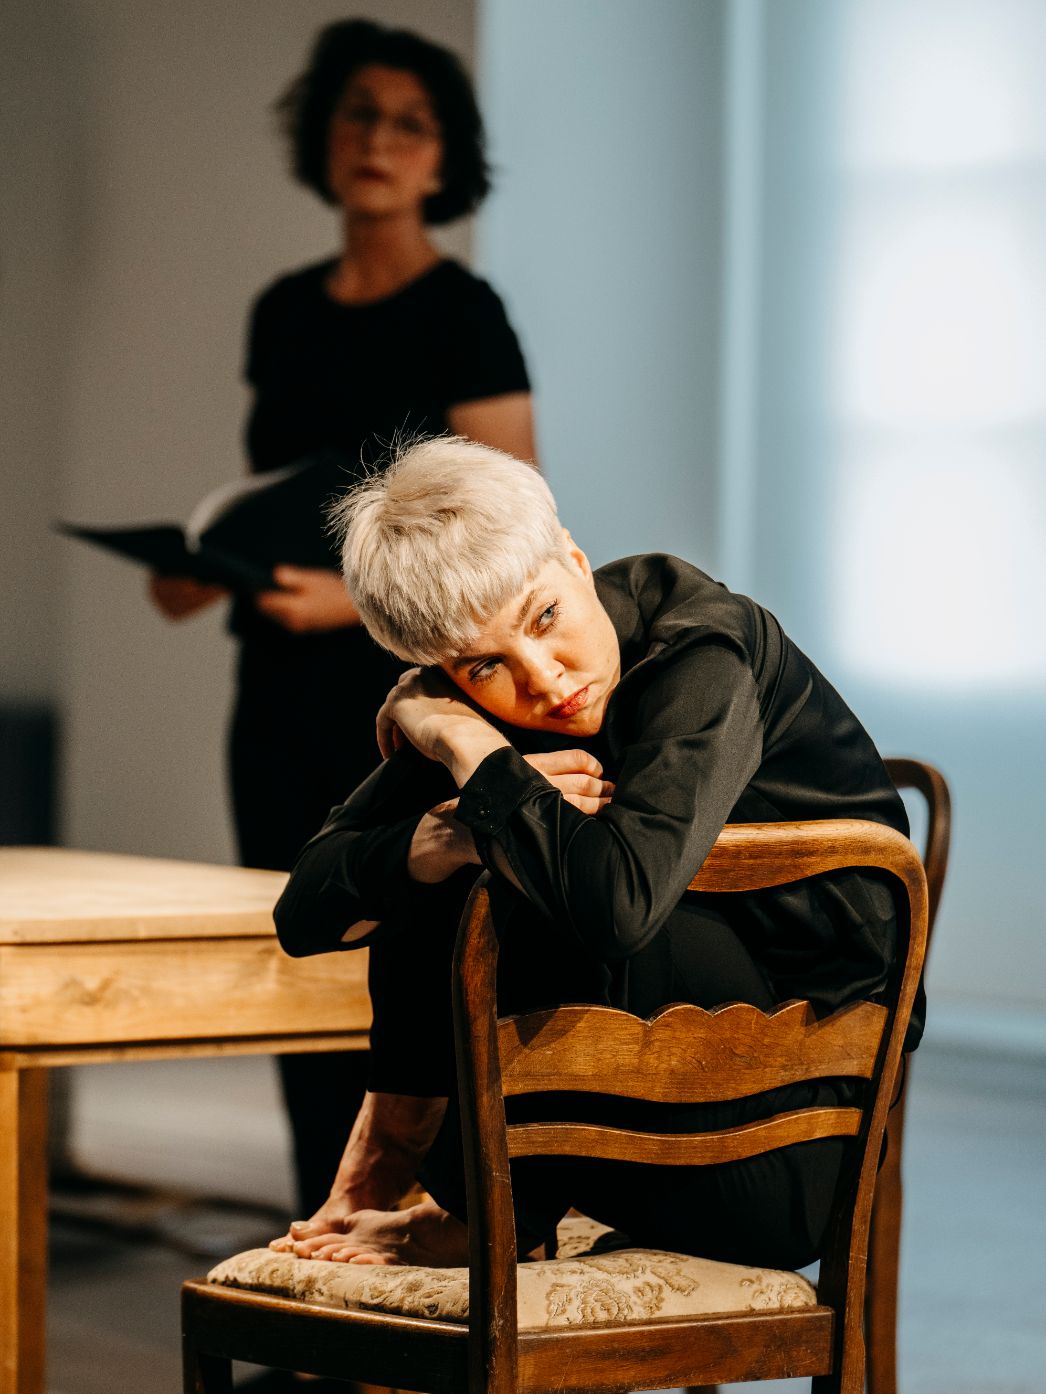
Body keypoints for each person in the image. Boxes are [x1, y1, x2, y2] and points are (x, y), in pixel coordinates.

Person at [268, 436, 920, 1272]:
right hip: (627, 1117)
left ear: (575, 561)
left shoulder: (705, 648)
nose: (543, 680)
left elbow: (618, 908)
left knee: (524, 875)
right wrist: (444, 831)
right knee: (460, 851)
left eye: (545, 618)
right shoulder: (477, 687)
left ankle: (481, 1215)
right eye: (484, 667)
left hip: (790, 1141)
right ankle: (404, 1168)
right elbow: (305, 911)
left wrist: (468, 745)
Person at [148, 19, 534, 1219]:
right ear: (325, 138)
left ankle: (425, 1265)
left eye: (408, 123)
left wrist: (347, 602)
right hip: (270, 687)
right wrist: (208, 569)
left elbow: (510, 513)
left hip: (402, 696)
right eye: (357, 113)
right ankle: (324, 1258)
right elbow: (282, 497)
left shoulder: (463, 309)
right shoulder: (286, 310)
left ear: (442, 161)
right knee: (298, 960)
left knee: (401, 976)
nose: (376, 139)